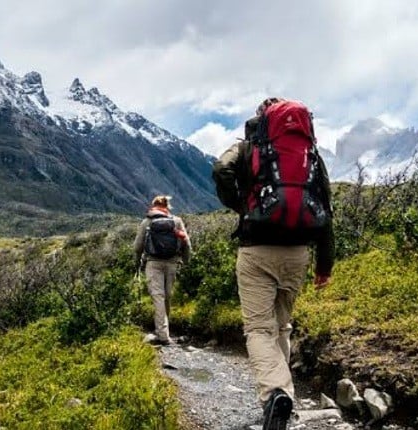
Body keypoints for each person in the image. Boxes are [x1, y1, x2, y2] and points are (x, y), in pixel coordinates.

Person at [212, 98, 334, 430]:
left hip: (256, 249)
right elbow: (325, 208)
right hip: (297, 252)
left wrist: (241, 205)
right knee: (282, 326)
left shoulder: (248, 146)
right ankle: (286, 396)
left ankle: (276, 393)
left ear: (261, 120)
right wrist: (325, 265)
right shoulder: (310, 154)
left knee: (257, 328)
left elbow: (220, 169)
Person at [133, 195, 192, 346]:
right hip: (172, 263)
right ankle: (165, 331)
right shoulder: (176, 221)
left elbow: (137, 247)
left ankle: (163, 335)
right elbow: (186, 243)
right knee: (167, 296)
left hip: (153, 263)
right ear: (167, 206)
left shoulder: (147, 222)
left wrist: (137, 265)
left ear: (153, 205)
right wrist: (186, 261)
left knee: (158, 297)